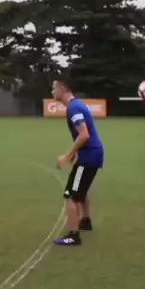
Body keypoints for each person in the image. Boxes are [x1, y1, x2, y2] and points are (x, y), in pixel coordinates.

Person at [51, 78, 104, 247]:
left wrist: (67, 155)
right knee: (81, 189)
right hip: (91, 154)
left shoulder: (73, 108)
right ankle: (85, 221)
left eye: (54, 88)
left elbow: (84, 134)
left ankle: (74, 236)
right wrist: (75, 152)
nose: (52, 92)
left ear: (62, 89)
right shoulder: (76, 105)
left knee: (71, 195)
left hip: (89, 156)